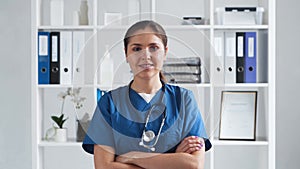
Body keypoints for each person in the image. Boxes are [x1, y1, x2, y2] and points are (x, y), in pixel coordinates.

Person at [82, 20, 212, 169]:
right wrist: (172, 160)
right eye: (137, 49)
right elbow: (104, 167)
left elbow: (194, 164)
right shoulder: (109, 103)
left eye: (154, 48)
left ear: (165, 52)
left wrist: (132, 157)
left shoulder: (184, 99)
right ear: (126, 54)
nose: (146, 56)